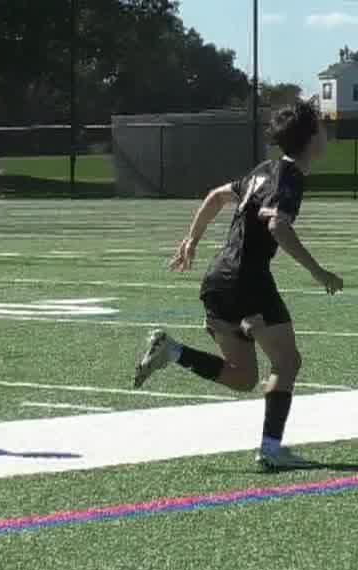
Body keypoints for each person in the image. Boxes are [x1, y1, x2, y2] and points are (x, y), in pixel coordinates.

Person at [131, 100, 343, 470]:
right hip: (248, 280)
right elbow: (277, 225)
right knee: (287, 361)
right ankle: (272, 450)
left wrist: (191, 240)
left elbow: (216, 196)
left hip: (217, 280)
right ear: (311, 138)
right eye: (322, 129)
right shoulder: (289, 176)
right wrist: (318, 271)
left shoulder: (263, 170)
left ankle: (173, 352)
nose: (327, 135)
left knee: (243, 376)